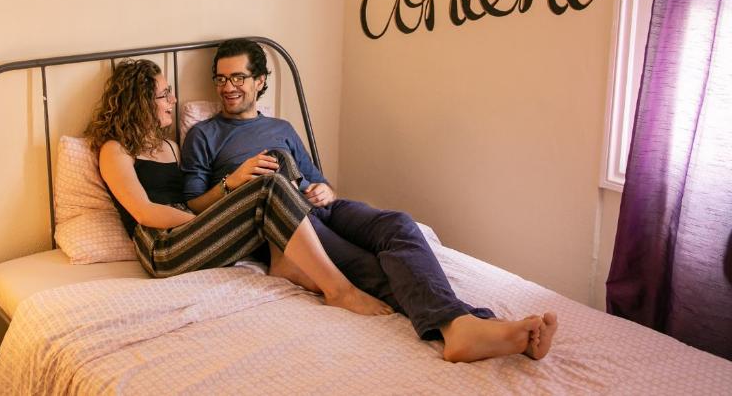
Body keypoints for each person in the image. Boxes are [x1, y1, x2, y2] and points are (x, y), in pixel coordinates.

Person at [182, 38, 559, 363]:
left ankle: (469, 327)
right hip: (286, 222)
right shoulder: (204, 135)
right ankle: (467, 326)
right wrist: (234, 180)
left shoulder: (282, 128)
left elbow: (317, 178)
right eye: (221, 78)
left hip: (320, 207)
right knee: (364, 264)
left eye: (238, 77)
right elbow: (196, 206)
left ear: (260, 80)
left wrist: (324, 189)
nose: (228, 86)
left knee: (399, 225)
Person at [87, 58, 391, 317]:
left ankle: (282, 262)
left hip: (191, 233)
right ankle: (340, 290)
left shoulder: (169, 146)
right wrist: (208, 222)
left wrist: (225, 195)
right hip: (163, 247)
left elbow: (192, 204)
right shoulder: (115, 150)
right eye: (165, 94)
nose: (173, 100)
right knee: (267, 186)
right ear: (141, 102)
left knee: (276, 160)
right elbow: (145, 212)